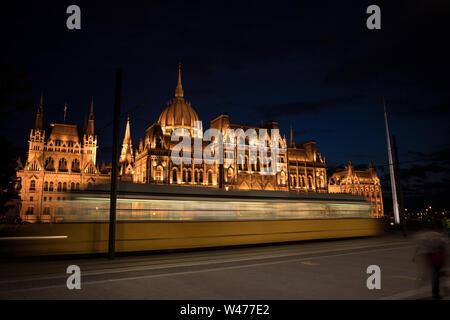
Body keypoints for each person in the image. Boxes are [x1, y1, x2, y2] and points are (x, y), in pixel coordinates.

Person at [413, 231, 447, 299]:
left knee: (437, 277)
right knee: (435, 277)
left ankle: (438, 292)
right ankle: (436, 293)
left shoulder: (439, 241)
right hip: (434, 262)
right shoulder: (428, 241)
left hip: (437, 261)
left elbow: (445, 252)